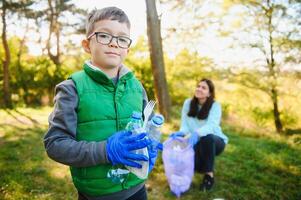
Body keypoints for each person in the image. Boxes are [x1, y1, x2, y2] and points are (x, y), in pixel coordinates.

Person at [44, 7, 160, 200]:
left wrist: (152, 142)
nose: (114, 44)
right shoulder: (71, 88)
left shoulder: (137, 87)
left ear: (127, 49)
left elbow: (146, 126)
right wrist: (105, 150)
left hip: (137, 187)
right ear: (87, 45)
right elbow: (55, 144)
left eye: (122, 39)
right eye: (104, 36)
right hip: (96, 194)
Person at [170, 78, 228, 191]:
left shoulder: (215, 106)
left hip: (215, 141)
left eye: (203, 87)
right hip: (195, 141)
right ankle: (185, 176)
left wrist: (197, 133)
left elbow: (212, 126)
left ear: (209, 93)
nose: (199, 89)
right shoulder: (188, 103)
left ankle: (209, 176)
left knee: (207, 138)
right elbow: (185, 125)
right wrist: (181, 133)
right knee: (193, 162)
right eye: (198, 86)